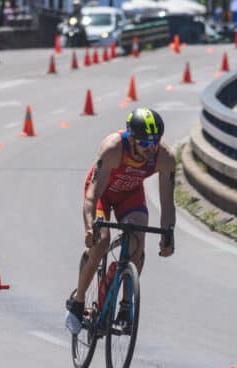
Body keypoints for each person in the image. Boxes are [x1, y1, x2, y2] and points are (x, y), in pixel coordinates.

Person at [65, 107, 176, 334]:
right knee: (101, 240)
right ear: (132, 139)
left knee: (137, 239)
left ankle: (126, 307)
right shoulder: (113, 149)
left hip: (129, 194)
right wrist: (89, 228)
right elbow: (91, 196)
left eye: (155, 143)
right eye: (145, 144)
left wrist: (168, 234)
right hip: (102, 195)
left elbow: (167, 203)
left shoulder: (164, 158)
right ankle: (78, 300)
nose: (151, 149)